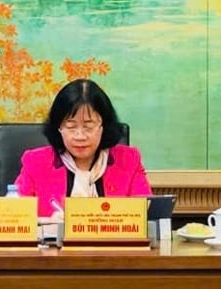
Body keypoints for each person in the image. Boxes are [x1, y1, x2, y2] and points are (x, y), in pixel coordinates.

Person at [15, 79, 152, 218]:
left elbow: (145, 216)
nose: (80, 136)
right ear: (59, 128)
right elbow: (15, 216)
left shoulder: (128, 160)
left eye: (88, 126)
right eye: (71, 126)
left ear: (103, 126)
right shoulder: (35, 162)